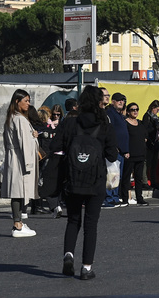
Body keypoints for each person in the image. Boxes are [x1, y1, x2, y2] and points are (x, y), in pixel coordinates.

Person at [51, 85, 119, 280]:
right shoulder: (105, 125)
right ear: (99, 102)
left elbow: (56, 145)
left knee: (73, 220)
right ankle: (86, 267)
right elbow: (112, 154)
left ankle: (68, 255)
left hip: (73, 178)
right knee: (91, 224)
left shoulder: (70, 123)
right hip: (95, 180)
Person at [0, 89, 39, 238]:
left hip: (14, 157)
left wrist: (33, 135)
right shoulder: (20, 119)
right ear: (17, 101)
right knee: (18, 191)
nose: (28, 104)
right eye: (26, 101)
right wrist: (29, 164)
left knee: (17, 191)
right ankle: (18, 224)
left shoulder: (11, 118)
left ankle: (19, 222)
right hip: (20, 159)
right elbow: (25, 143)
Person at [103, 91, 130, 207]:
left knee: (116, 176)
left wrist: (126, 150)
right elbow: (110, 132)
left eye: (123, 100)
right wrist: (114, 147)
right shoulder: (110, 113)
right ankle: (109, 198)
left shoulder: (120, 115)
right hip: (114, 150)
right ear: (113, 101)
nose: (121, 102)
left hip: (122, 152)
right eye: (119, 100)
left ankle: (114, 196)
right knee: (111, 175)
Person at [123, 102, 149, 206]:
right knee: (126, 177)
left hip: (140, 154)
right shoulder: (125, 123)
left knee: (139, 178)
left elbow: (145, 135)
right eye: (133, 109)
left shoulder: (140, 123)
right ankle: (125, 198)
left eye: (137, 109)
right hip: (130, 154)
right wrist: (125, 151)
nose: (135, 111)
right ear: (128, 111)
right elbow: (123, 137)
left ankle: (139, 198)